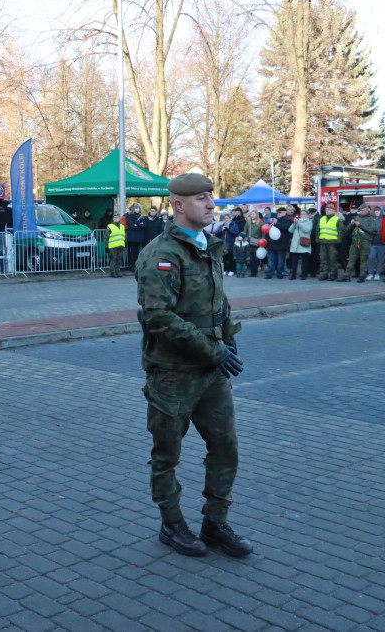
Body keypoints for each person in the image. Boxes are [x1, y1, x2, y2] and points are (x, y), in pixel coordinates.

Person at [135, 172, 251, 559]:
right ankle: (172, 524)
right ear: (179, 205)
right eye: (202, 198)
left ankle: (215, 523)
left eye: (210, 198)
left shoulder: (209, 246)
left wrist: (228, 340)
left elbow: (221, 303)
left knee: (225, 447)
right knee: (167, 452)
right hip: (173, 373)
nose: (211, 205)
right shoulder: (161, 254)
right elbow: (159, 319)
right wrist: (213, 351)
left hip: (211, 372)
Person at [341, 203, 377, 282]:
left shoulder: (371, 219)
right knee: (351, 258)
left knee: (363, 259)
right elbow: (347, 230)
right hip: (355, 240)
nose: (361, 212)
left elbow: (371, 230)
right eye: (360, 210)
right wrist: (351, 224)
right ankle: (347, 275)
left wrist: (360, 225)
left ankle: (362, 276)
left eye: (362, 210)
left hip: (365, 241)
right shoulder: (356, 217)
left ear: (367, 210)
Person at [317, 204, 345, 281]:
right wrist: (318, 239)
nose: (327, 211)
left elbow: (341, 231)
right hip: (323, 242)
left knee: (332, 259)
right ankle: (325, 273)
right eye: (327, 209)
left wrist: (338, 241)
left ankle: (333, 274)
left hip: (332, 243)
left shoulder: (337, 219)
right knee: (324, 259)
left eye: (329, 209)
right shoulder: (322, 218)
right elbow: (318, 230)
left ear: (333, 211)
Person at [265, 206, 291, 279]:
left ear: (284, 213)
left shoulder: (287, 220)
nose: (278, 214)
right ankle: (269, 273)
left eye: (280, 212)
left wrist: (276, 223)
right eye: (277, 212)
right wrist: (272, 223)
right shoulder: (276, 220)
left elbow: (285, 228)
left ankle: (280, 274)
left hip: (282, 243)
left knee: (281, 260)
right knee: (271, 259)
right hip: (273, 243)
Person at [287, 209, 314, 280]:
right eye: (301, 214)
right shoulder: (298, 222)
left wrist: (299, 223)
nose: (302, 216)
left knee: (304, 261)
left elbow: (306, 230)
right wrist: (294, 223)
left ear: (307, 215)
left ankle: (303, 274)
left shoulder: (309, 222)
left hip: (303, 243)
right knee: (294, 261)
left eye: (304, 214)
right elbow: (290, 230)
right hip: (295, 244)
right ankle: (293, 275)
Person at [366, 206, 385, 281]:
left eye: (378, 210)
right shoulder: (372, 219)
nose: (377, 212)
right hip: (372, 242)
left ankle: (378, 273)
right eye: (376, 211)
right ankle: (370, 273)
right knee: (371, 258)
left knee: (380, 259)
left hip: (382, 243)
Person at [242, 211, 263, 278]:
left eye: (253, 214)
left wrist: (262, 242)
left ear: (257, 215)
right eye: (251, 214)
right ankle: (252, 272)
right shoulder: (248, 223)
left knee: (256, 259)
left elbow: (263, 234)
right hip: (250, 243)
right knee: (251, 259)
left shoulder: (261, 223)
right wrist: (244, 239)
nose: (252, 215)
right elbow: (245, 232)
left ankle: (255, 272)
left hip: (257, 243)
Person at [126, 204, 146, 270]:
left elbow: (144, 226)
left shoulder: (141, 217)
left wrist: (136, 225)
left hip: (138, 238)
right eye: (135, 208)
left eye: (138, 208)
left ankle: (136, 265)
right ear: (133, 209)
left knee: (137, 252)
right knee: (132, 253)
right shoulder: (130, 216)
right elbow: (131, 226)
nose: (137, 209)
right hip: (132, 238)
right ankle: (131, 266)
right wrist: (139, 225)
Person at [106, 212, 126, 277]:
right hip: (113, 246)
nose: (116, 218)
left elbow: (123, 236)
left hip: (120, 245)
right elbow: (106, 237)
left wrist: (124, 245)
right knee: (113, 260)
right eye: (115, 217)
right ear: (113, 218)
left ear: (119, 218)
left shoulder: (122, 227)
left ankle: (118, 271)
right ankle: (113, 272)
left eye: (117, 217)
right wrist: (106, 246)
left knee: (118, 260)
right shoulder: (110, 226)